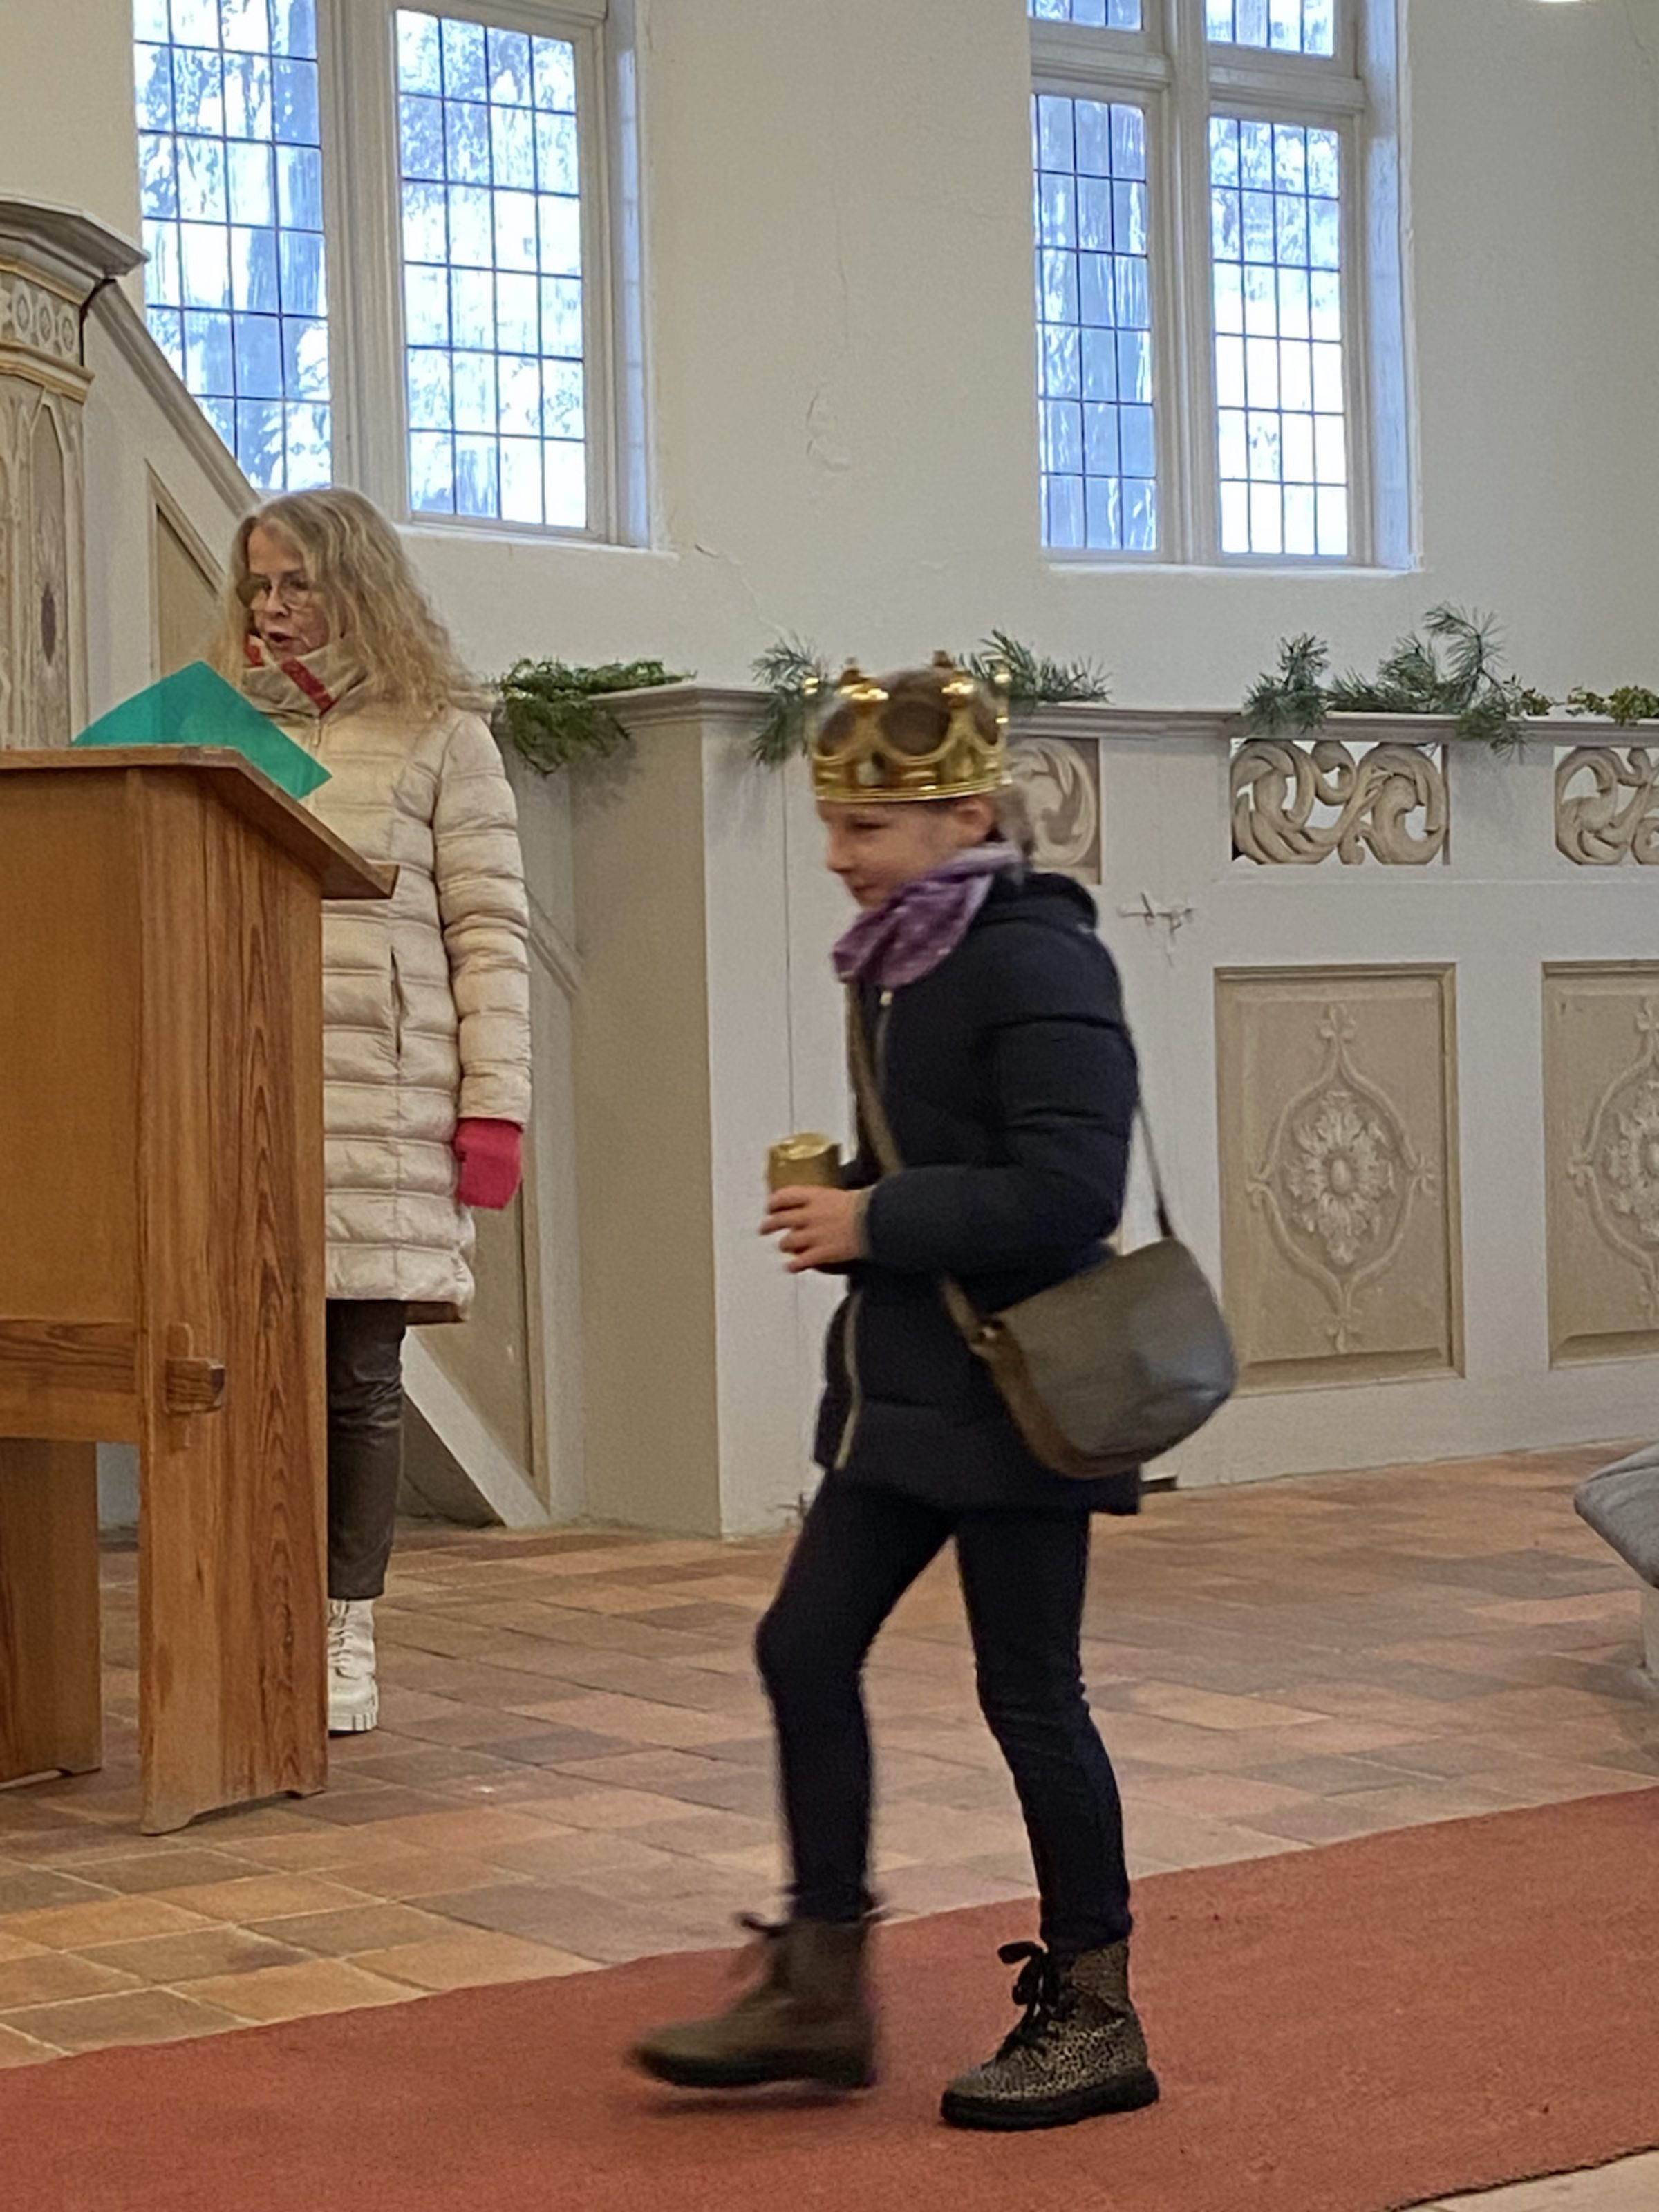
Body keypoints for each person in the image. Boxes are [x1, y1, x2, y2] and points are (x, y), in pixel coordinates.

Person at [632, 655, 1156, 2132]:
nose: (836, 854)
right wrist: (858, 1200)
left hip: (1019, 1392)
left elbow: (1072, 1190)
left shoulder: (1038, 958)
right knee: (803, 1647)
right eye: (832, 822)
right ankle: (820, 1987)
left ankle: (1096, 2013)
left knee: (1031, 1694)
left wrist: (877, 1217)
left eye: (865, 826)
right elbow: (955, 1157)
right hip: (910, 1392)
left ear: (965, 818)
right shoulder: (907, 954)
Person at [212, 489, 532, 1736]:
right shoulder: (215, 727)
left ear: (356, 587)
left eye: (298, 583)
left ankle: (346, 1624)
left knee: (355, 1371)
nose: (274, 608)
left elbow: (488, 933)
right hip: (236, 1087)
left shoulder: (442, 732)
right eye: (259, 585)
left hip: (380, 1097)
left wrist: (493, 1111)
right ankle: (257, 1606)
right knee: (240, 1369)